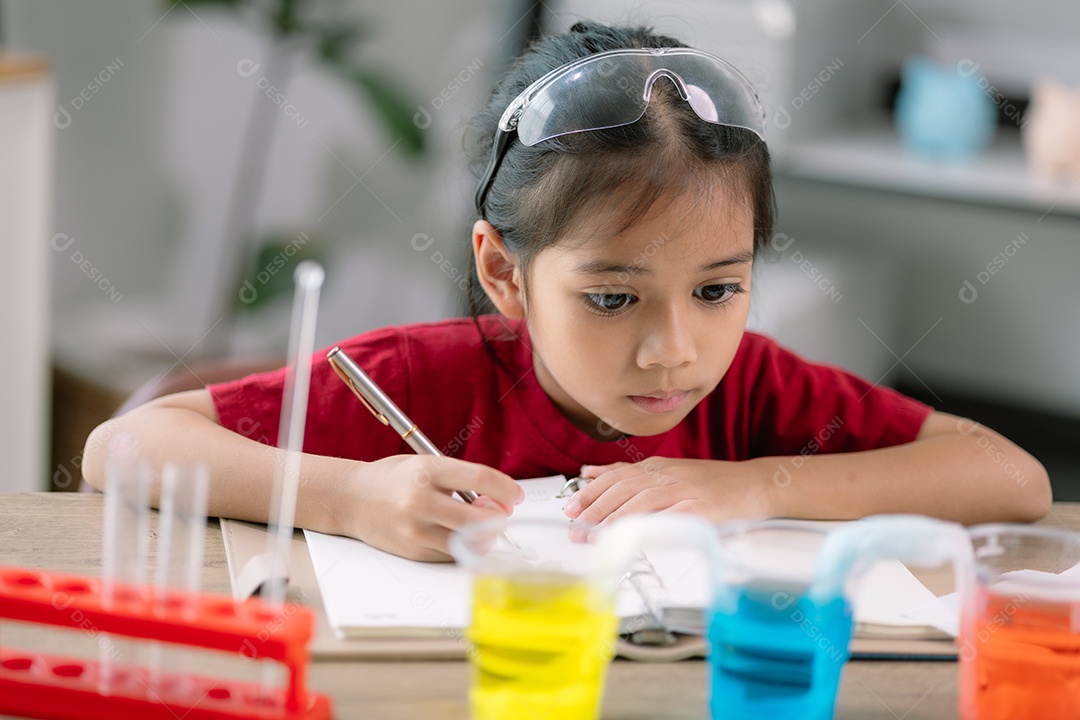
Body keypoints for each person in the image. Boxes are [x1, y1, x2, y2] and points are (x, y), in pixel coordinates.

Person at [82, 22, 1050, 561]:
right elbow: (122, 446)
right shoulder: (424, 378)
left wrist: (754, 482)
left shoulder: (756, 391)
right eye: (612, 298)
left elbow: (1014, 479)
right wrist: (348, 496)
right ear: (504, 271)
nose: (674, 348)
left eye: (718, 290)